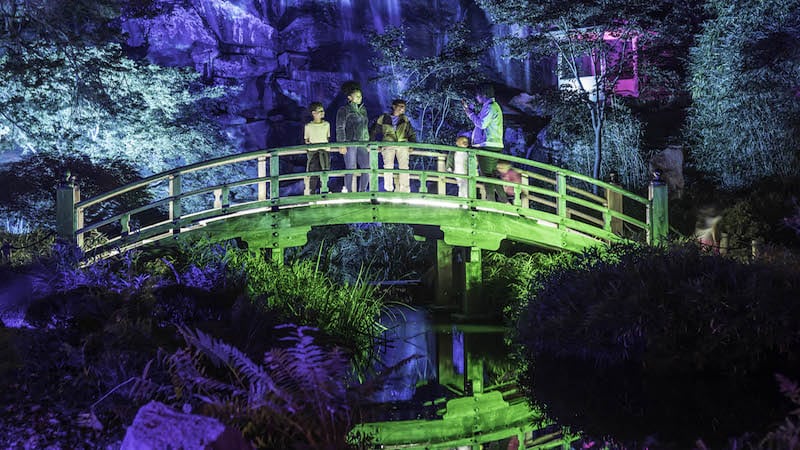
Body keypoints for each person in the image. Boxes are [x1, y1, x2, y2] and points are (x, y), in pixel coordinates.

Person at [462, 83, 505, 202]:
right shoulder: (491, 106)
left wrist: (470, 113)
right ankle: (504, 201)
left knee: (486, 175)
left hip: (488, 145)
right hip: (492, 145)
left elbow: (482, 124)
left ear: (484, 95)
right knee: (491, 175)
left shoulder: (490, 107)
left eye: (477, 95)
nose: (476, 98)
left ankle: (491, 201)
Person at [370, 98, 417, 192]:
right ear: (394, 106)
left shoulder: (404, 119)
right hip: (388, 143)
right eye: (400, 106)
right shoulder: (383, 118)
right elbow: (374, 131)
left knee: (404, 166)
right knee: (388, 165)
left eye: (404, 107)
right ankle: (389, 188)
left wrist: (413, 145)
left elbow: (411, 133)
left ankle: (405, 189)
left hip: (402, 143)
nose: (402, 109)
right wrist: (372, 143)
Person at [336, 84, 370, 192]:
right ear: (350, 98)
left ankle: (363, 191)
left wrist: (367, 142)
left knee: (366, 167)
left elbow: (365, 127)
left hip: (362, 142)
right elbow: (340, 127)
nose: (360, 98)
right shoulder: (344, 109)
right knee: (350, 166)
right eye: (357, 96)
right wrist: (341, 143)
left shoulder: (363, 110)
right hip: (350, 141)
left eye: (360, 96)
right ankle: (349, 191)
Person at [303, 102, 337, 194]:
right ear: (313, 113)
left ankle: (324, 191)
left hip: (324, 151)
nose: (322, 112)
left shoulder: (326, 124)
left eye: (323, 110)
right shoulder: (308, 126)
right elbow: (306, 140)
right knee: (313, 173)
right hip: (313, 152)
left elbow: (327, 137)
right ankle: (312, 192)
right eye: (320, 111)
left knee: (325, 171)